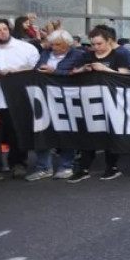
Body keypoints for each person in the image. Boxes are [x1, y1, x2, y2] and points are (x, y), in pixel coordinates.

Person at [64, 25, 130, 182]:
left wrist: (103, 69)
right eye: (93, 44)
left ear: (108, 41)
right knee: (88, 135)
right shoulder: (87, 55)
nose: (96, 48)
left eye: (99, 44)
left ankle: (112, 167)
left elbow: (125, 76)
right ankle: (83, 168)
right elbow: (73, 73)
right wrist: (83, 70)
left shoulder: (118, 55)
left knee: (110, 135)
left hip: (112, 100)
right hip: (90, 101)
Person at [0, 17, 42, 184]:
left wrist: (17, 70)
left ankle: (18, 164)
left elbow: (37, 70)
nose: (3, 32)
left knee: (17, 134)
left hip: (18, 99)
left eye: (5, 29)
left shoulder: (26, 48)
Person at [24, 30, 89, 181]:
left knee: (67, 131)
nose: (54, 47)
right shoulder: (45, 53)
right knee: (42, 131)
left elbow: (79, 75)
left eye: (58, 44)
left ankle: (66, 166)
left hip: (67, 98)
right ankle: (43, 167)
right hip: (45, 97)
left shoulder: (78, 55)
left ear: (68, 43)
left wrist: (55, 71)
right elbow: (36, 69)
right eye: (52, 44)